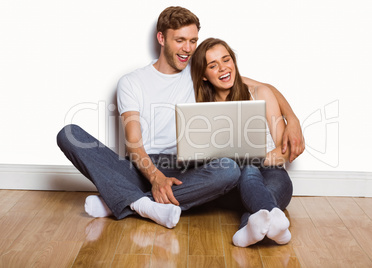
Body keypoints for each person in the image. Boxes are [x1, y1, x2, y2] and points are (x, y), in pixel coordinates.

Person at [57, 7, 241, 229]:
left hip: (185, 169)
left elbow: (245, 82)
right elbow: (133, 142)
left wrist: (289, 118)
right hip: (142, 166)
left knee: (229, 169)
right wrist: (155, 177)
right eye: (180, 40)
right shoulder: (132, 81)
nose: (188, 49)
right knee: (68, 134)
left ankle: (131, 203)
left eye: (193, 41)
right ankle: (142, 202)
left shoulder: (198, 72)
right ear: (161, 38)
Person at [191, 38, 294, 247]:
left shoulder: (260, 94)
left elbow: (283, 153)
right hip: (231, 185)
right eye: (213, 65)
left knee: (254, 172)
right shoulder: (200, 107)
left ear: (234, 61)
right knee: (246, 170)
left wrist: (254, 160)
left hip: (272, 173)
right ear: (204, 74)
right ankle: (275, 224)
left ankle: (249, 228)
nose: (222, 68)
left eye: (226, 60)